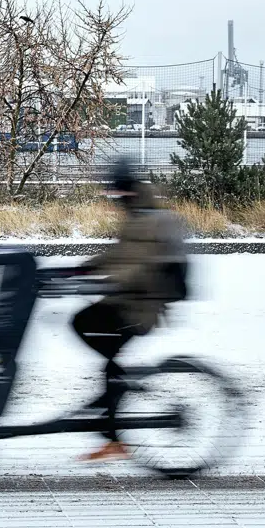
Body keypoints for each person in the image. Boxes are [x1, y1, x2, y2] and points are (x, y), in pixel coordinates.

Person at [71, 159, 189, 461]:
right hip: (127, 300)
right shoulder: (136, 218)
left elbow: (147, 267)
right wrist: (80, 271)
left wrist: (110, 282)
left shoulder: (155, 220)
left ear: (130, 191)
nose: (115, 201)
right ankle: (116, 390)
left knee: (89, 327)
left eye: (118, 194)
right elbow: (118, 254)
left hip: (142, 307)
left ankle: (114, 427)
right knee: (86, 327)